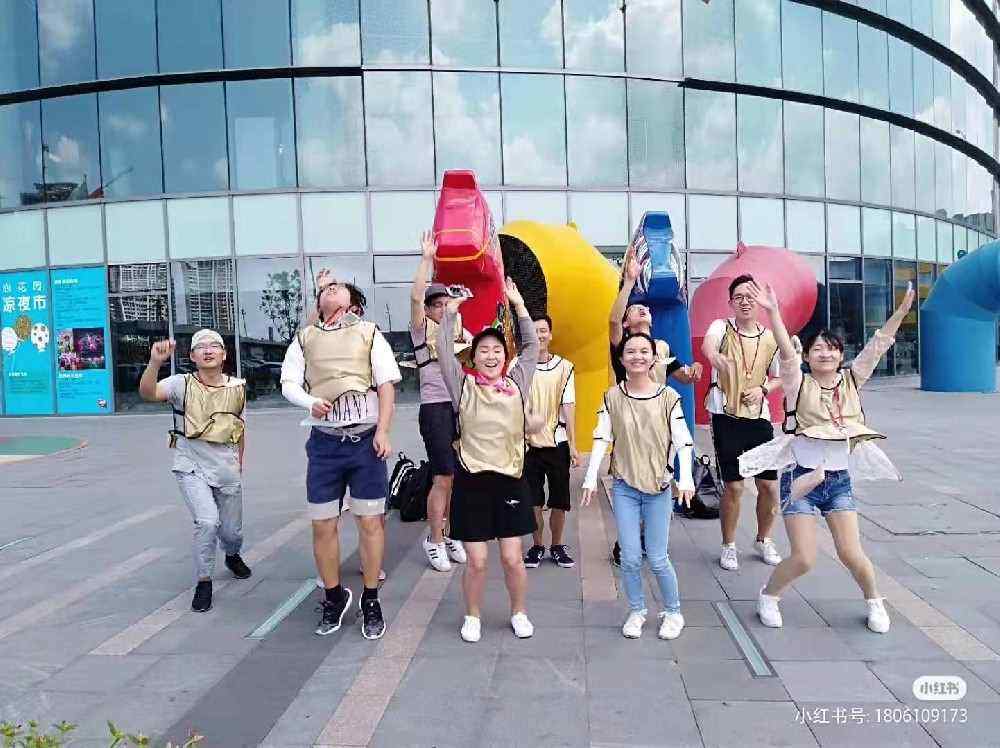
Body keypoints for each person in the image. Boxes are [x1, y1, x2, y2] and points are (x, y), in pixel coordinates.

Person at [745, 282, 914, 634]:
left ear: (841, 355)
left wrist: (900, 313)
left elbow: (879, 344)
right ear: (807, 356)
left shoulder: (852, 379)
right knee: (804, 558)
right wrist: (773, 312)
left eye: (832, 348)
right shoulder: (798, 383)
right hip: (801, 479)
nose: (825, 353)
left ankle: (874, 601)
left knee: (852, 553)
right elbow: (786, 353)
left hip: (838, 482)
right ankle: (769, 596)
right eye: (817, 349)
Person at [281, 273, 401, 640]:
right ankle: (334, 597)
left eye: (338, 287)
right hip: (325, 443)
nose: (330, 290)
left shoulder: (369, 333)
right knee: (322, 524)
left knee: (370, 522)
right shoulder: (305, 338)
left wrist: (382, 431)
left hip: (365, 442)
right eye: (324, 290)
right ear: (317, 303)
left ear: (353, 302)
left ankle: (371, 598)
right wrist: (309, 402)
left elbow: (386, 386)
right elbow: (288, 383)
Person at [438, 278, 538, 643]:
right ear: (474, 358)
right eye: (484, 351)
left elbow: (532, 347)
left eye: (497, 350)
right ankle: (473, 615)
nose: (491, 356)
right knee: (477, 561)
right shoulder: (463, 386)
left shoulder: (518, 382)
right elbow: (443, 351)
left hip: (510, 480)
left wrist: (519, 305)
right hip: (472, 482)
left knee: (512, 558)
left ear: (505, 357)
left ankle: (519, 612)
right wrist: (451, 313)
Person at [581, 333, 695, 640]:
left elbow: (683, 441)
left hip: (658, 488)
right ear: (621, 359)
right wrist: (590, 478)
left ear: (654, 358)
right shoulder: (612, 397)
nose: (638, 356)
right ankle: (637, 610)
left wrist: (686, 478)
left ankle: (673, 611)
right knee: (630, 557)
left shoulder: (669, 397)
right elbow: (601, 437)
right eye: (630, 351)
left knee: (657, 557)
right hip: (625, 487)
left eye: (644, 351)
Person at [139, 330, 252, 613]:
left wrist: (239, 462)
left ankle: (232, 554)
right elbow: (148, 393)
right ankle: (204, 581)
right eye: (201, 347)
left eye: (214, 346)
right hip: (191, 464)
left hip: (225, 466)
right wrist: (155, 363)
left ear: (224, 354)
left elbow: (240, 428)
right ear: (192, 356)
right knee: (207, 522)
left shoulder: (237, 387)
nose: (208, 350)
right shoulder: (181, 384)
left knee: (231, 532)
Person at [607, 245, 703, 566]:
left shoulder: (661, 347)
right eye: (636, 309)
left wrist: (693, 372)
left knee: (657, 481)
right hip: (630, 424)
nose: (643, 309)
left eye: (644, 308)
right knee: (631, 482)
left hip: (659, 426)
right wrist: (629, 282)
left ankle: (647, 538)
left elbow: (682, 376)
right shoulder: (624, 346)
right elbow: (612, 320)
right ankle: (626, 542)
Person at [701, 273, 783, 572]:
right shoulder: (721, 327)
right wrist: (715, 358)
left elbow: (781, 376)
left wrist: (763, 390)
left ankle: (763, 539)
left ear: (759, 301)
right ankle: (729, 545)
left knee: (769, 486)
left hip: (759, 417)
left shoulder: (770, 337)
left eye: (750, 297)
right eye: (739, 297)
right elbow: (708, 347)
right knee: (734, 487)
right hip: (726, 416)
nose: (745, 302)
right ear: (730, 302)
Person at [410, 230, 472, 572]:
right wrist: (426, 260)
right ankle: (433, 540)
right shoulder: (422, 329)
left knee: (456, 477)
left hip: (460, 407)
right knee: (442, 476)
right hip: (435, 408)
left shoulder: (458, 330)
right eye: (437, 304)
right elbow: (415, 297)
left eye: (447, 303)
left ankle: (448, 534)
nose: (443, 308)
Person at [521, 315, 579, 569]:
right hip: (528, 445)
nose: (539, 335)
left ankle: (556, 545)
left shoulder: (565, 367)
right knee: (533, 499)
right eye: (534, 331)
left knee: (559, 499)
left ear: (550, 334)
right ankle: (537, 545)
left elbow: (569, 406)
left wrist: (573, 445)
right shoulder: (519, 366)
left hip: (558, 443)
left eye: (543, 330)